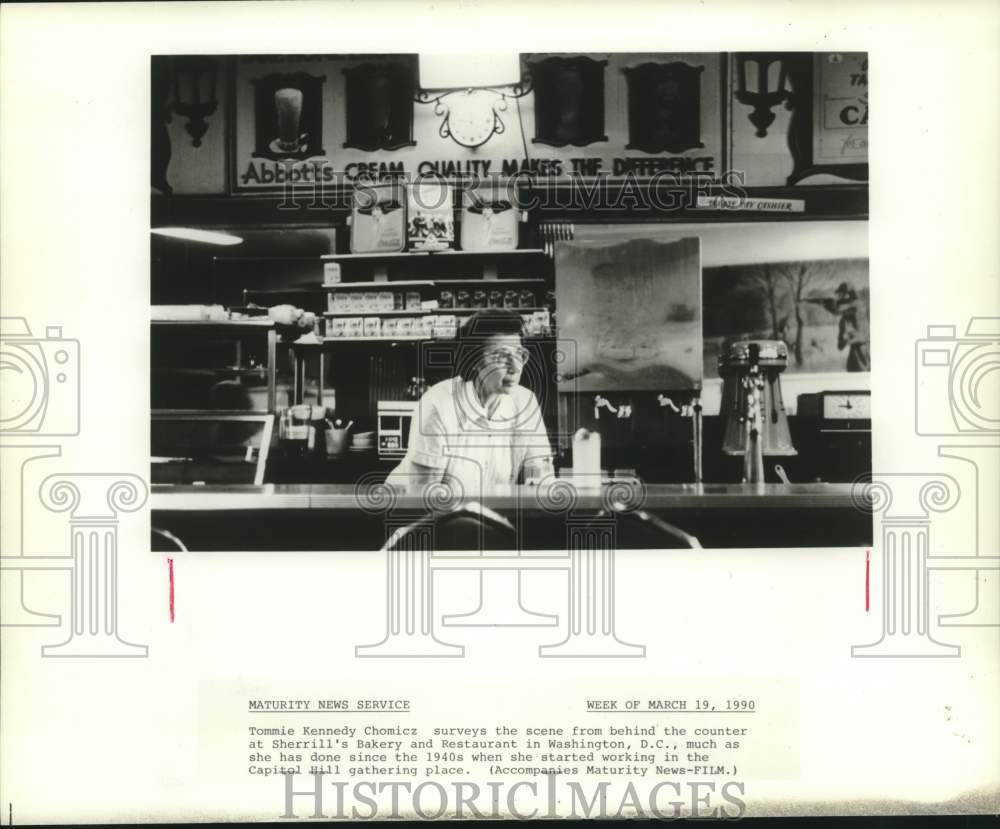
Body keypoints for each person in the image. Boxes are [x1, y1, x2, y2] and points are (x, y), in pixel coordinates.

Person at [386, 310, 554, 494]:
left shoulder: (525, 402)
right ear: (475, 360)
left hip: (483, 516)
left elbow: (540, 479)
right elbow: (422, 497)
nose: (515, 367)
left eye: (519, 354)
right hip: (413, 513)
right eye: (501, 356)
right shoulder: (439, 405)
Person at [834, 282, 870, 372]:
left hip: (865, 354)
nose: (839, 298)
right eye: (839, 295)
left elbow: (864, 337)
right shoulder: (843, 321)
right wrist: (845, 339)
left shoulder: (860, 310)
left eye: (842, 295)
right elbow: (839, 346)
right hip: (853, 359)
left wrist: (850, 336)